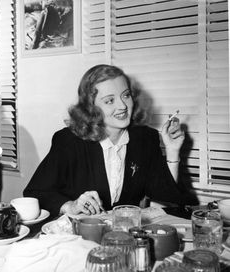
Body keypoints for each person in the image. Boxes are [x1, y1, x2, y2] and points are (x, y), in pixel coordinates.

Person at [23, 64, 198, 217]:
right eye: (109, 101)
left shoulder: (145, 138)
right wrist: (71, 206)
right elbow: (36, 192)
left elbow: (166, 195)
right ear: (91, 108)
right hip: (79, 235)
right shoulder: (69, 141)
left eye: (126, 95)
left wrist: (173, 151)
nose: (122, 106)